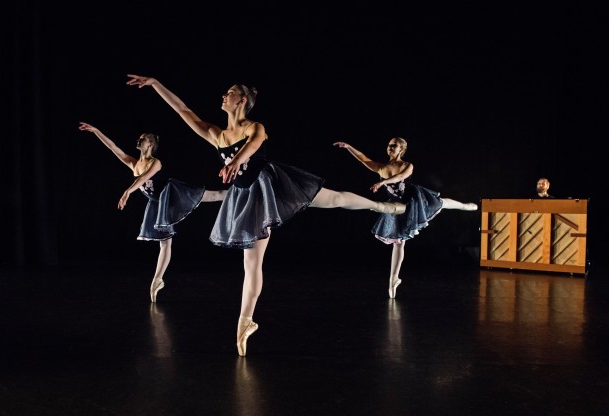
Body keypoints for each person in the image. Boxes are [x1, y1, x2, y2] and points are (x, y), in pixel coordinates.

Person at [126, 74, 406, 357]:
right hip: (249, 199)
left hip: (273, 185)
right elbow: (182, 109)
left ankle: (380, 206)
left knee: (334, 199)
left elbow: (256, 141)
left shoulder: (253, 126)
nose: (224, 96)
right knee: (251, 262)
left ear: (242, 100)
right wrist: (156, 84)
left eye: (230, 92)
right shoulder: (217, 135)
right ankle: (245, 321)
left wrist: (236, 160)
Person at [78, 122, 226, 302]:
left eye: (144, 138)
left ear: (150, 145)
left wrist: (128, 191)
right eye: (140, 137)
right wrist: (96, 131)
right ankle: (157, 279)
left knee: (215, 195)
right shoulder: (133, 163)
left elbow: (144, 177)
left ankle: (242, 191)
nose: (140, 139)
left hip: (172, 194)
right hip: (157, 203)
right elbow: (113, 148)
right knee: (165, 243)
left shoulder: (155, 162)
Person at [333, 138, 478, 299]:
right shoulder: (381, 167)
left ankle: (465, 206)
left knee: (441, 203)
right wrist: (349, 147)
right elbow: (364, 158)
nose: (390, 147)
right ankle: (393, 279)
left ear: (401, 149)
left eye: (394, 145)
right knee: (399, 242)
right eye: (389, 145)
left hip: (414, 202)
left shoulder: (407, 165)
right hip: (397, 205)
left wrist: (382, 183)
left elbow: (400, 177)